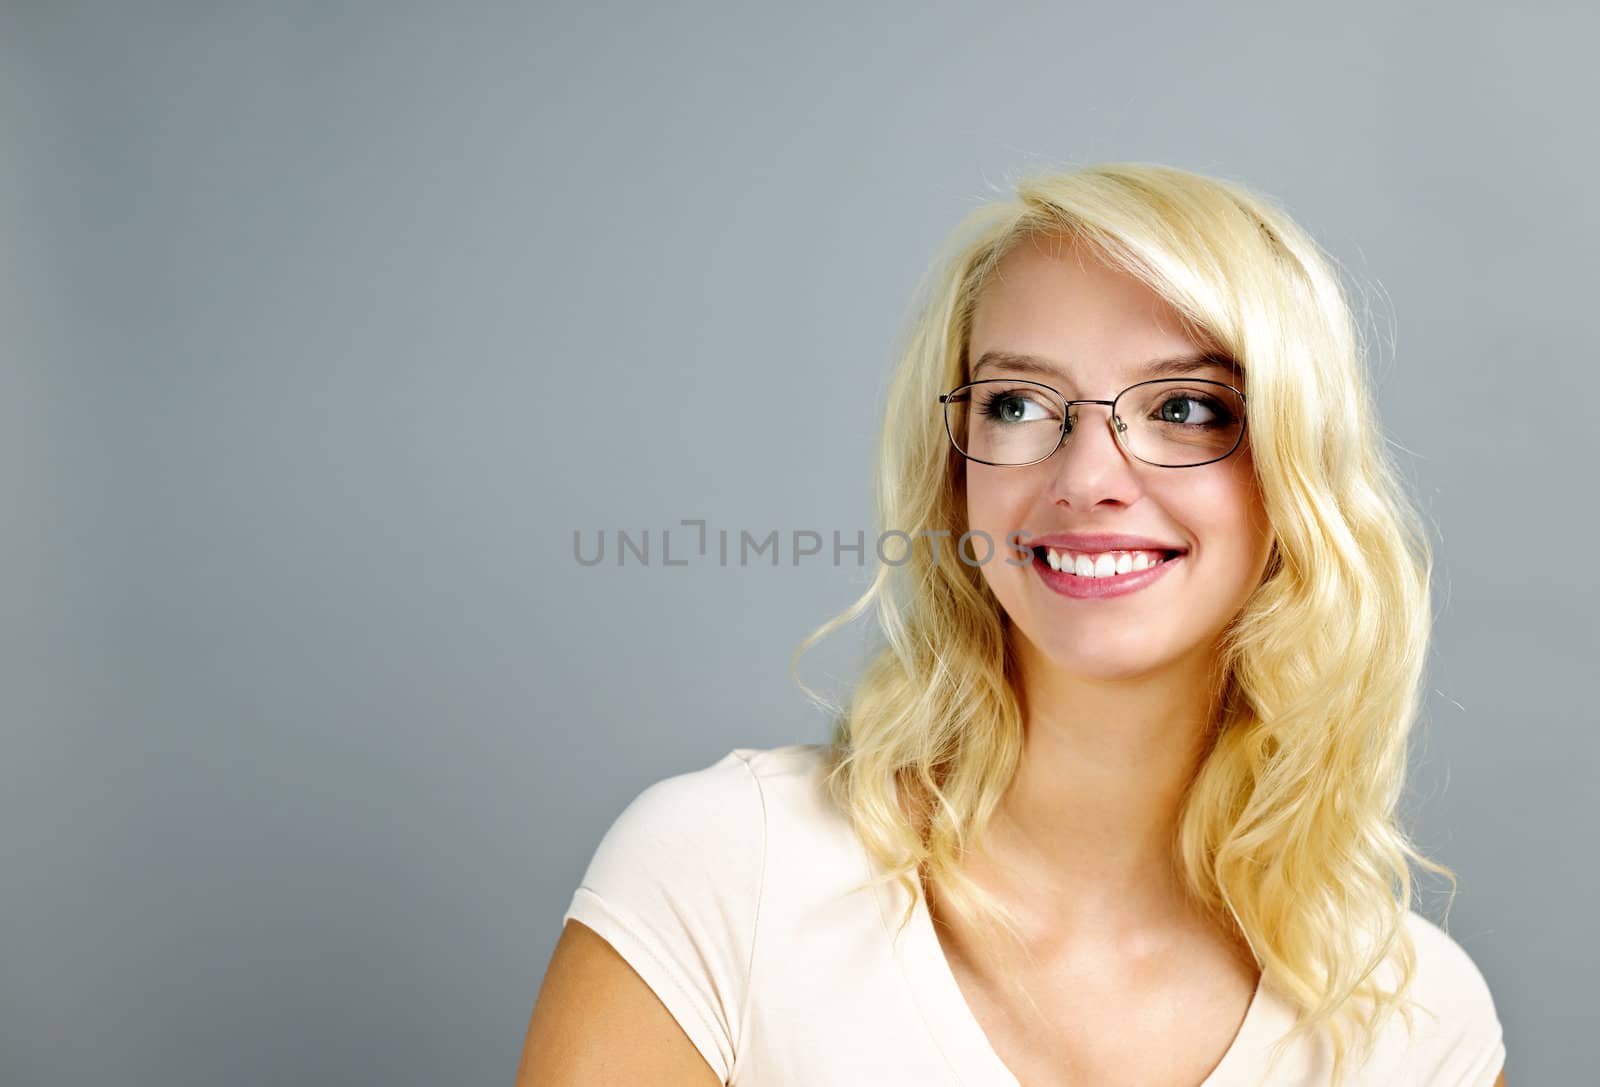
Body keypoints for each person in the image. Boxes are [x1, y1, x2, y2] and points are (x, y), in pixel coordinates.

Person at [516, 162, 1508, 1085]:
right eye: (1020, 403)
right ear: (956, 472)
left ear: (1294, 473)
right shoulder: (727, 873)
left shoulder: (1416, 1020)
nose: (1085, 480)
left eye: (1187, 408)